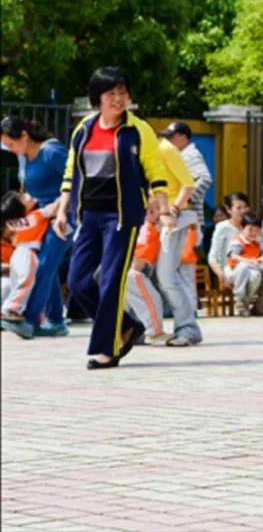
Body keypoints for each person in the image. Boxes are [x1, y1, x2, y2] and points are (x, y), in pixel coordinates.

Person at [52, 66, 171, 369]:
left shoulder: (138, 129)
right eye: (111, 93)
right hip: (89, 214)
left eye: (123, 92)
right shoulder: (84, 129)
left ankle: (108, 350)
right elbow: (71, 173)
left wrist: (162, 206)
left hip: (122, 216)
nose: (119, 99)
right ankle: (126, 325)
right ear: (98, 98)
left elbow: (155, 170)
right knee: (78, 283)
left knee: (111, 282)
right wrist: (63, 209)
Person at [1, 117, 72, 337]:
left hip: (62, 217)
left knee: (44, 265)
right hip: (42, 218)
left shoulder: (51, 151)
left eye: (11, 144)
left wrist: (59, 207)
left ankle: (28, 321)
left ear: (24, 136)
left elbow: (78, 181)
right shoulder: (25, 158)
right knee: (45, 267)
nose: (11, 150)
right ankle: (55, 322)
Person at [154, 135, 201, 347]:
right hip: (151, 221)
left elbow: (188, 184)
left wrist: (172, 210)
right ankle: (140, 327)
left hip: (172, 222)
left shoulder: (165, 149)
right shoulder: (145, 152)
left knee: (166, 276)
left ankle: (188, 328)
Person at [0, 192, 51, 336]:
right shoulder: (35, 216)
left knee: (21, 284)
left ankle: (11, 311)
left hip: (19, 256)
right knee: (22, 284)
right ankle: (11, 310)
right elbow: (52, 208)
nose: (26, 195)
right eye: (22, 198)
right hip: (26, 254)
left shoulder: (17, 223)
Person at [123, 205, 170, 344]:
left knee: (129, 305)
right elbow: (139, 253)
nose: (151, 213)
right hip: (134, 272)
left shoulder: (149, 227)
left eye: (154, 209)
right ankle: (154, 332)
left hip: (129, 272)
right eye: (148, 210)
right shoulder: (146, 228)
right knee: (152, 300)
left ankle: (127, 334)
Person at [207, 192, 250, 288]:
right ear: (229, 210)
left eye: (245, 207)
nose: (243, 211)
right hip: (231, 273)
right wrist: (221, 275)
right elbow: (212, 257)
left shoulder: (253, 227)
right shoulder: (222, 227)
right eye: (238, 208)